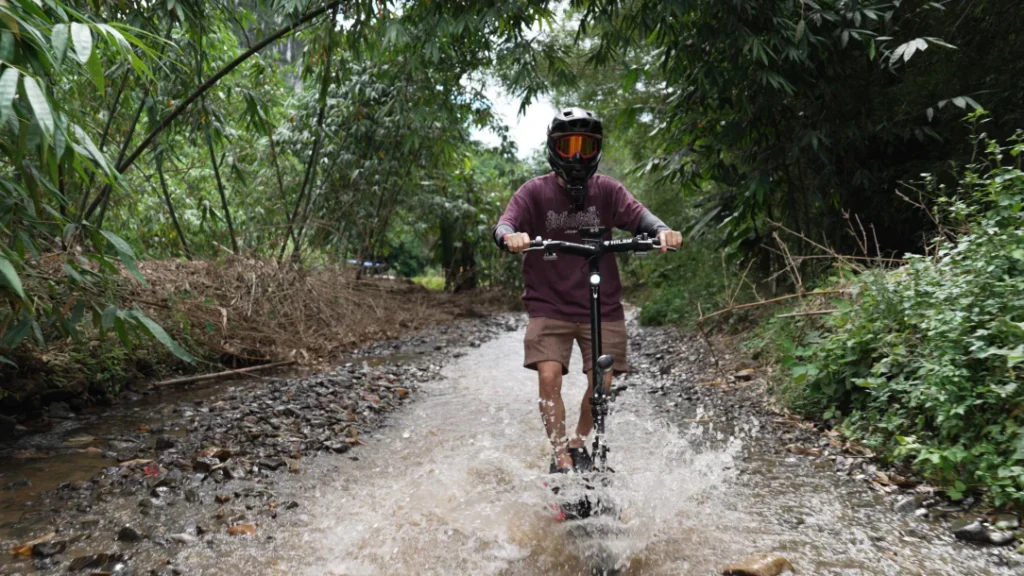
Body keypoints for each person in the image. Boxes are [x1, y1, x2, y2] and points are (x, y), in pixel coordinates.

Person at [492, 107, 683, 474]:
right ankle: (561, 454)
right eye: (569, 146)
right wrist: (510, 237)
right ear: (553, 149)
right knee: (549, 376)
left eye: (586, 146)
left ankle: (579, 440)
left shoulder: (608, 190)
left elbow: (642, 216)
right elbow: (506, 223)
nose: (577, 156)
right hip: (549, 305)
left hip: (602, 304)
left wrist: (662, 231)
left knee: (602, 383)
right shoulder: (534, 191)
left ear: (596, 150)